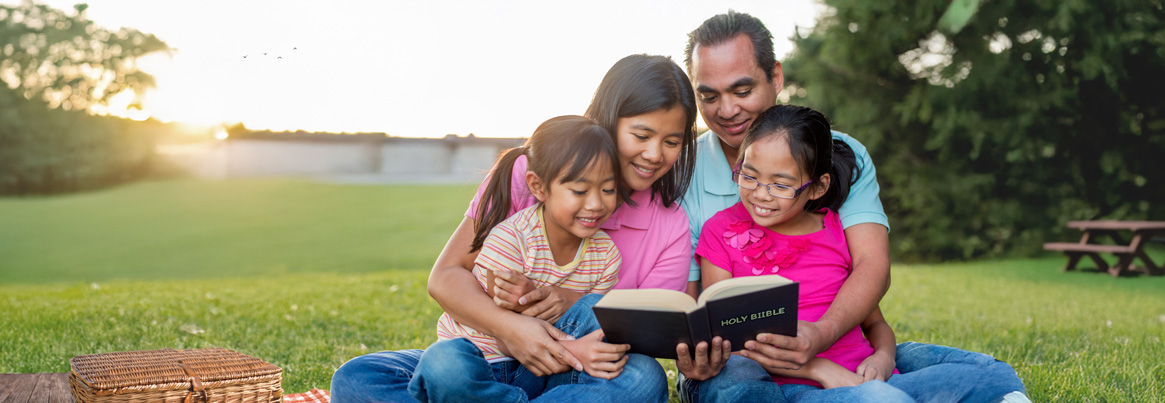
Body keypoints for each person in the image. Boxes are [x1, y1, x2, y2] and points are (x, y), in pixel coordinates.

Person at [676, 11, 1029, 403]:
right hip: (741, 364)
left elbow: (871, 267)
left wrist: (845, 344)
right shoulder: (685, 172)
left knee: (991, 376)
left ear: (775, 77)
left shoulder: (839, 157)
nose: (726, 111)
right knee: (738, 381)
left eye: (741, 91)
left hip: (842, 343)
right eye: (709, 95)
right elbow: (702, 311)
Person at [330, 54, 697, 403]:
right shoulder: (526, 174)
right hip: (488, 355)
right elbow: (446, 276)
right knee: (358, 377)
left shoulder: (670, 225)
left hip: (571, 369)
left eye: (671, 142)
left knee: (642, 378)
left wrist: (561, 303)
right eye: (641, 135)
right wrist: (513, 329)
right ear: (609, 121)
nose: (654, 154)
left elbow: (639, 336)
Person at [407, 115, 662, 402]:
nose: (595, 204)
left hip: (546, 372)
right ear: (538, 187)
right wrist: (568, 346)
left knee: (645, 377)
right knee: (442, 362)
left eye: (608, 190)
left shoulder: (605, 256)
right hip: (483, 364)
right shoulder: (511, 238)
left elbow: (590, 330)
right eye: (579, 191)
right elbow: (505, 335)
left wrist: (583, 344)